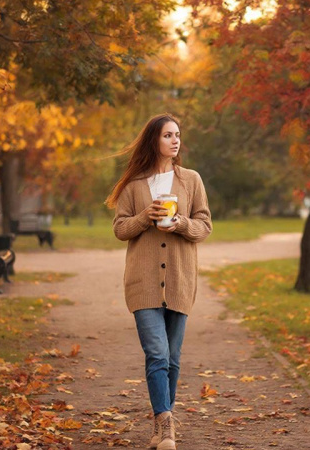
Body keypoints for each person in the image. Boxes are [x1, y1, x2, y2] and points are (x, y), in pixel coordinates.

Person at [105, 113, 212, 450]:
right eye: (168, 135)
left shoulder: (191, 180)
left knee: (174, 358)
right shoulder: (135, 185)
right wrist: (143, 217)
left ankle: (160, 425)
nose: (175, 140)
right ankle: (166, 426)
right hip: (143, 282)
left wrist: (180, 223)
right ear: (154, 140)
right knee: (157, 354)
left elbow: (204, 226)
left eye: (178, 135)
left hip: (180, 279)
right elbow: (121, 228)